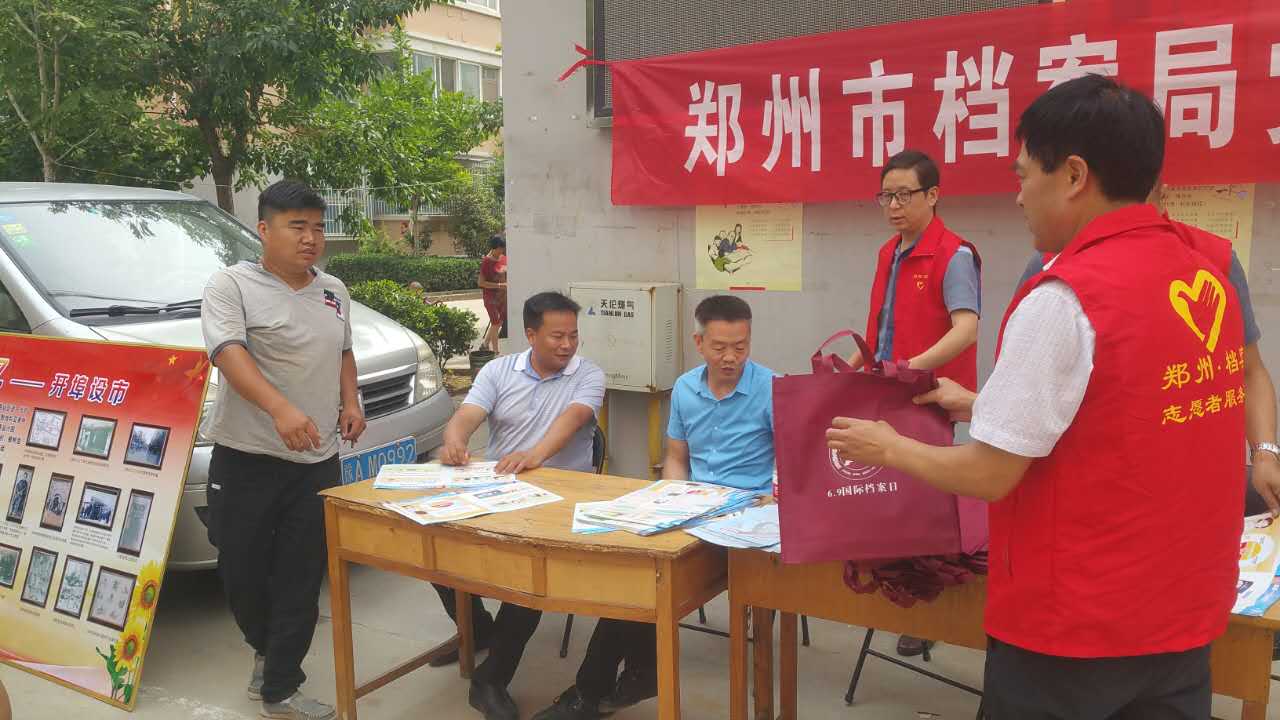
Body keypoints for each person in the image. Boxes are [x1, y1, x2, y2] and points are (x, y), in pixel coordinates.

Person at [827, 74, 1245, 718]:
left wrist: (887, 447)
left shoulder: (1066, 295)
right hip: (1182, 618)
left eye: (1024, 176)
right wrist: (981, 405)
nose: (1018, 196)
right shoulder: (1205, 273)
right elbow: (1124, 412)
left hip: (1073, 630)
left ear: (1074, 175)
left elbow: (990, 474)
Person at [531, 294, 775, 720]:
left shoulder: (772, 387)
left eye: (741, 346)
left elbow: (793, 458)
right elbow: (676, 456)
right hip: (696, 509)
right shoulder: (685, 389)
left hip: (749, 514)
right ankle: (622, 679)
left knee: (648, 581)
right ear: (699, 343)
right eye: (720, 347)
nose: (731, 357)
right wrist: (672, 497)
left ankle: (604, 687)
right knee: (634, 571)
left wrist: (773, 493)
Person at [201, 180, 366, 720]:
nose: (311, 238)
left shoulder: (333, 290)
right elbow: (228, 352)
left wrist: (350, 401)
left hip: (315, 463)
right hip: (245, 456)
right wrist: (279, 409)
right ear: (264, 229)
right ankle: (265, 648)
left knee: (301, 575)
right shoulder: (231, 285)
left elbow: (343, 350)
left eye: (318, 227)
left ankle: (280, 687)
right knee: (241, 571)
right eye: (297, 226)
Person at [1016, 182, 1279, 518]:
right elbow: (1026, 395)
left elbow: (1250, 371)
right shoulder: (1052, 268)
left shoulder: (1214, 259)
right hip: (1099, 499)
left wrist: (1265, 453)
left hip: (1197, 490)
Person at [435, 291, 605, 720]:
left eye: (573, 335)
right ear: (530, 334)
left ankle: (490, 679)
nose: (567, 345)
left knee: (528, 579)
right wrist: (454, 440)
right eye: (557, 336)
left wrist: (535, 455)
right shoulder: (498, 370)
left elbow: (571, 422)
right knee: (429, 540)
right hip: (498, 489)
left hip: (560, 499)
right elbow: (467, 415)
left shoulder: (588, 374)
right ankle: (479, 629)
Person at [852, 149, 981, 658]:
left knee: (924, 500)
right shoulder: (888, 252)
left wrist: (912, 367)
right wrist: (853, 364)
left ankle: (928, 605)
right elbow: (879, 328)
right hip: (885, 390)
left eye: (904, 195)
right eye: (886, 196)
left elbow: (966, 328)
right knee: (882, 492)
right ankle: (892, 585)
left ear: (933, 195)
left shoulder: (955, 254)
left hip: (927, 395)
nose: (894, 206)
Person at [478, 236, 508, 353]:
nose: (502, 251)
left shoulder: (503, 258)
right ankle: (495, 352)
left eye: (503, 248)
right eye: (500, 249)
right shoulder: (486, 262)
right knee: (495, 323)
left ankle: (485, 344)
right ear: (494, 248)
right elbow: (481, 283)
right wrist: (500, 285)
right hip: (491, 298)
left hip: (502, 297)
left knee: (499, 323)